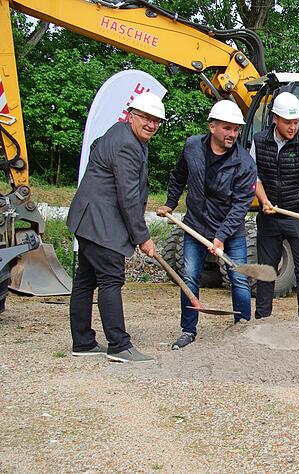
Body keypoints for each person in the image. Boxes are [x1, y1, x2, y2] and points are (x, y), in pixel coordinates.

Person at [67, 92, 164, 363]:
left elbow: (97, 148)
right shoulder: (127, 145)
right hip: (101, 223)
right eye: (146, 118)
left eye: (157, 120)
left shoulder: (119, 131)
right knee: (111, 279)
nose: (151, 124)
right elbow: (128, 196)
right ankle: (119, 346)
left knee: (86, 280)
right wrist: (142, 237)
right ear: (132, 115)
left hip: (87, 218)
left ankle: (83, 342)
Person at [157, 100, 257, 349]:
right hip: (195, 227)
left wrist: (221, 236)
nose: (233, 134)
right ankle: (188, 331)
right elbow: (178, 175)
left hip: (231, 232)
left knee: (239, 279)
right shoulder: (192, 147)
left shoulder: (245, 164)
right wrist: (170, 203)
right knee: (189, 277)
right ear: (212, 127)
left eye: (236, 129)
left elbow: (240, 206)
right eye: (227, 128)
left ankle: (242, 329)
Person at [251, 92, 299, 320]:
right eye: (288, 122)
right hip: (270, 216)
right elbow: (253, 175)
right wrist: (263, 201)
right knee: (266, 270)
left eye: (296, 122)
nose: (293, 127)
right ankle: (261, 319)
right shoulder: (259, 141)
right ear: (275, 118)